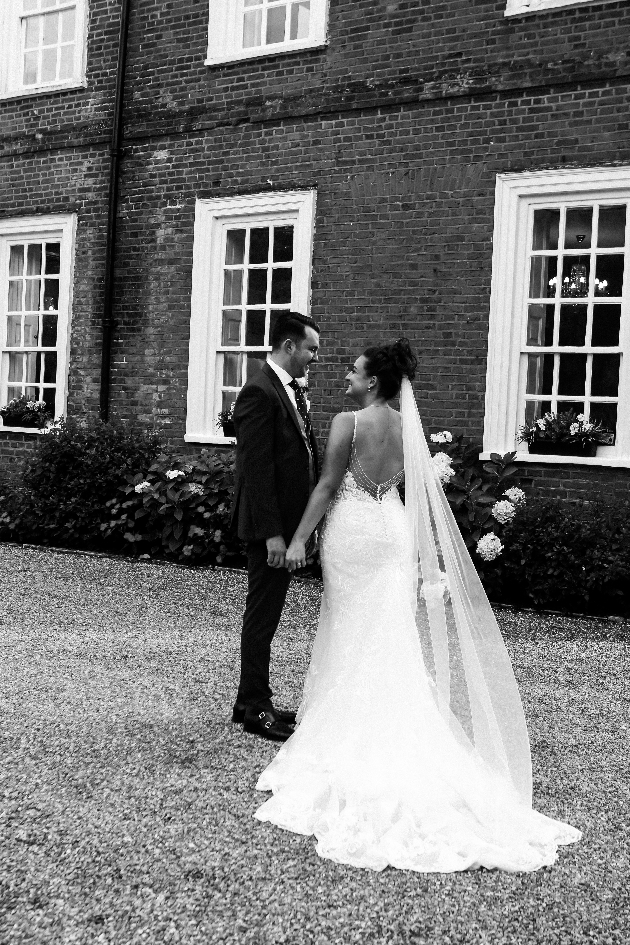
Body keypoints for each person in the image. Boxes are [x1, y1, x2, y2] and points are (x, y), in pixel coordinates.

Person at [253, 339, 582, 872]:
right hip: (391, 531)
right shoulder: (409, 430)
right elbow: (410, 489)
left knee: (349, 626)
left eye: (355, 373)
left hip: (354, 533)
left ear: (374, 382)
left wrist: (297, 539)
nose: (346, 379)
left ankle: (346, 732)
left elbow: (327, 487)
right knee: (387, 630)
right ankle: (399, 721)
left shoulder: (347, 422)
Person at [230, 311, 320, 742]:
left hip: (286, 523)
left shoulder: (286, 389)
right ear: (289, 346)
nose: (314, 358)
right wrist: (274, 534)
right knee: (262, 616)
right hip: (270, 529)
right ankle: (256, 708)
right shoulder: (258, 391)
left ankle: (249, 700)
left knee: (266, 614)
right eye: (310, 349)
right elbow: (256, 472)